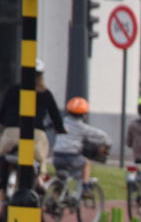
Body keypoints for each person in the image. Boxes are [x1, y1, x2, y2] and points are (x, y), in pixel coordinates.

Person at [1, 59, 65, 189]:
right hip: (35, 133)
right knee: (40, 158)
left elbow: (2, 111)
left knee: (2, 154)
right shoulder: (45, 93)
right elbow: (55, 115)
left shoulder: (13, 89)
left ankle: (2, 185)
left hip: (11, 131)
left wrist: (4, 123)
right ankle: (40, 179)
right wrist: (60, 129)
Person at [51, 97, 110, 200]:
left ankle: (55, 198)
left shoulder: (62, 122)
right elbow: (102, 136)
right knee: (86, 163)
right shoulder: (82, 127)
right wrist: (105, 144)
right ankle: (86, 188)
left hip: (57, 156)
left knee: (62, 178)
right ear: (84, 114)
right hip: (71, 156)